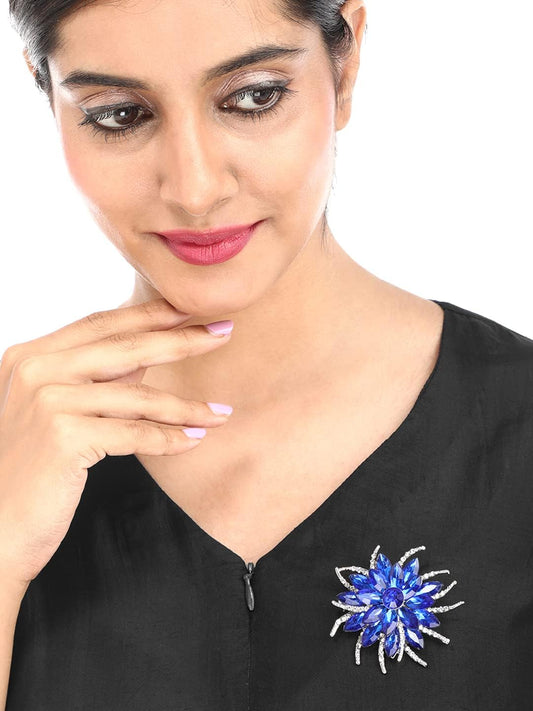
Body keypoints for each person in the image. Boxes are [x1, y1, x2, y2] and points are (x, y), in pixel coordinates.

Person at [1, 0, 532, 708]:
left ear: (345, 64)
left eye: (253, 97)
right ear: (46, 92)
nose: (195, 189)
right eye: (120, 115)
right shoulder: (14, 451)